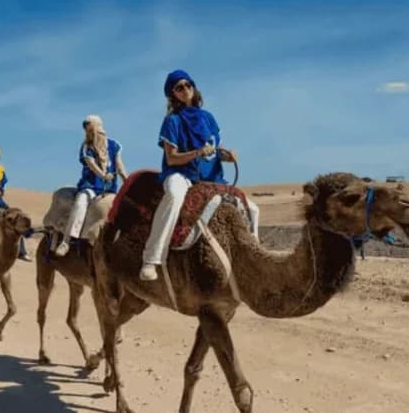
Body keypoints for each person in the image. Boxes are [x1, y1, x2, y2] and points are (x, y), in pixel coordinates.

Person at [139, 69, 259, 281]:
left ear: (194, 88)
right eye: (179, 87)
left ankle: (254, 255)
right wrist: (196, 152)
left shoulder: (208, 118)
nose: (185, 90)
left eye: (188, 85)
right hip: (181, 173)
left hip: (211, 178)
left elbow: (215, 149)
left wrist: (227, 155)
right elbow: (171, 158)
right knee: (175, 197)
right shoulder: (172, 121)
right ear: (172, 94)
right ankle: (152, 258)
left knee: (253, 209)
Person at [54, 114, 127, 257]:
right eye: (87, 130)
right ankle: (67, 240)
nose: (90, 133)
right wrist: (103, 175)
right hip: (91, 186)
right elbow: (91, 164)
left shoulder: (114, 145)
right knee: (81, 203)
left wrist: (127, 180)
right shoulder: (86, 146)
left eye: (91, 129)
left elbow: (119, 165)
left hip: (109, 189)